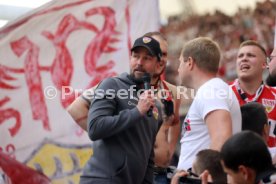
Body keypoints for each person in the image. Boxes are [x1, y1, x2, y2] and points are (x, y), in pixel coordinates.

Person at [67, 32, 181, 184]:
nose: (139, 62)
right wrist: (136, 112)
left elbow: (148, 158)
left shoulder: (157, 106)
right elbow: (94, 129)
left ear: (158, 64)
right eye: (135, 56)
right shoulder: (112, 85)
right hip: (102, 179)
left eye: (147, 58)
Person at [177, 37, 242, 170]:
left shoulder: (211, 90)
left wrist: (203, 177)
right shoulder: (212, 89)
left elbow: (221, 140)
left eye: (180, 63)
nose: (178, 69)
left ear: (189, 62)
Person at [229, 40, 276, 147]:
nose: (244, 58)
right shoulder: (222, 94)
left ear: (264, 64)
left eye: (250, 55)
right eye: (240, 56)